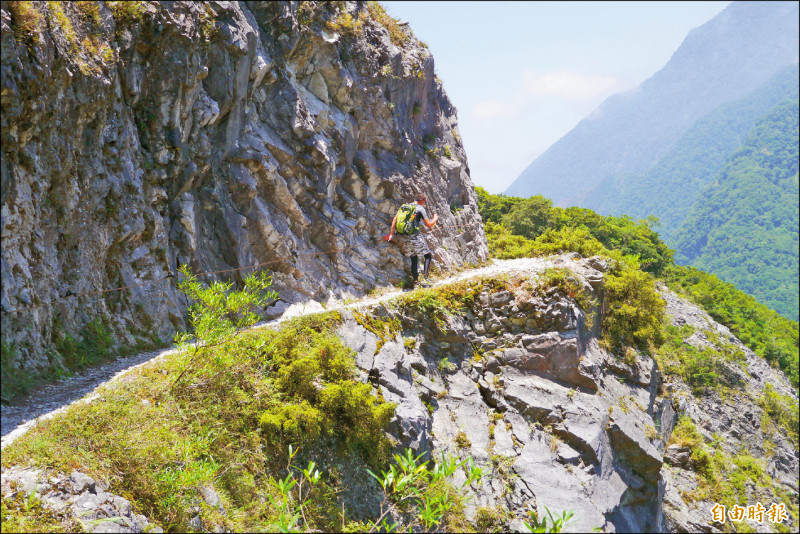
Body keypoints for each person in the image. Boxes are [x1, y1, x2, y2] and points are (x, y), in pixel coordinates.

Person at [388, 193, 439, 289]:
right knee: (428, 255)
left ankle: (416, 283)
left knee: (413, 258)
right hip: (415, 236)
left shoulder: (404, 207)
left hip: (403, 237)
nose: (424, 204)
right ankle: (425, 278)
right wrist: (435, 219)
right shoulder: (420, 208)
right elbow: (429, 225)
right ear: (422, 200)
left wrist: (391, 234)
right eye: (424, 202)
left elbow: (395, 219)